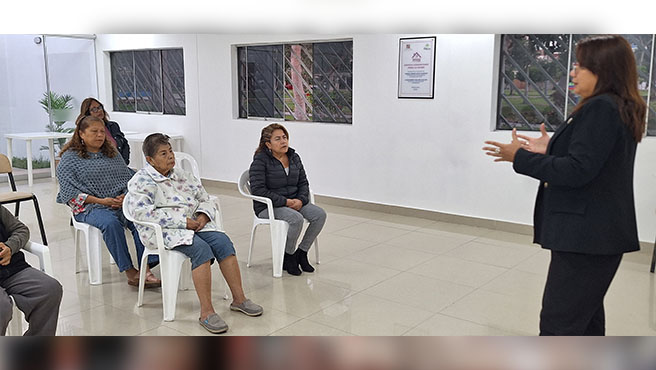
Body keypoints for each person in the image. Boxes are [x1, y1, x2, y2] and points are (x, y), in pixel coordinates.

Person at [483, 35, 647, 335]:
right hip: (596, 234)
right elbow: (595, 160)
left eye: (581, 66)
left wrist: (518, 157)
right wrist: (552, 148)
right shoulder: (618, 106)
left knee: (559, 325)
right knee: (585, 320)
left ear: (604, 71)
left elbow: (577, 171)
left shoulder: (601, 108)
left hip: (586, 237)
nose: (572, 72)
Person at [125, 133, 263, 334]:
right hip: (164, 231)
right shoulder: (141, 181)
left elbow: (204, 197)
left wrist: (203, 216)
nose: (170, 156)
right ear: (150, 160)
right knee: (201, 250)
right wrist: (182, 222)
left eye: (170, 151)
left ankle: (239, 299)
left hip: (194, 224)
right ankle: (206, 312)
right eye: (163, 154)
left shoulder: (181, 174)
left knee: (223, 242)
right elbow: (142, 212)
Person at [56, 115, 160, 288]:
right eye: (94, 131)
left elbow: (129, 179)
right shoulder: (69, 158)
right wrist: (102, 201)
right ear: (81, 134)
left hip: (118, 202)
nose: (99, 135)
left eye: (102, 132)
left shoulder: (112, 152)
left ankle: (146, 267)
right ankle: (129, 271)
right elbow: (70, 193)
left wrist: (125, 197)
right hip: (88, 207)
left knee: (139, 220)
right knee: (111, 223)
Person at [249, 123, 326, 276]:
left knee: (319, 215)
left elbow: (303, 183)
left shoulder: (294, 157)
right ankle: (288, 256)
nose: (283, 141)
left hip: (294, 202)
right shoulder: (260, 161)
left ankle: (301, 253)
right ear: (268, 144)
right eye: (277, 139)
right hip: (269, 207)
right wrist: (286, 202)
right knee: (296, 219)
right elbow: (258, 190)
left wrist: (301, 200)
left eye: (285, 137)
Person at [0, 205, 63, 336]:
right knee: (2, 307)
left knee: (50, 289)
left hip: (12, 269)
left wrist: (10, 247)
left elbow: (21, 229)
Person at [77, 98, 131, 165]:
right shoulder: (85, 131)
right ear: (88, 113)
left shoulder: (113, 126)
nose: (99, 111)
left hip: (120, 164)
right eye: (94, 109)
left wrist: (124, 163)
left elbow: (124, 145)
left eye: (100, 107)